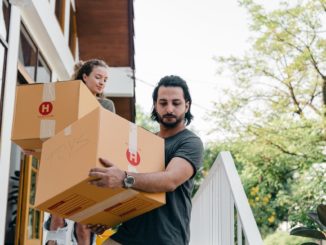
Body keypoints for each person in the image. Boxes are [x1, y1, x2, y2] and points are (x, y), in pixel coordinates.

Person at [87, 75, 204, 245]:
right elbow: (127, 186)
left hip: (165, 238)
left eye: (176, 103)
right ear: (155, 106)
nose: (169, 109)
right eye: (163, 103)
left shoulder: (190, 142)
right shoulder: (142, 141)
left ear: (187, 106)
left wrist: (123, 178)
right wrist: (106, 216)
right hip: (127, 233)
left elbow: (169, 180)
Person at [43, 58, 115, 245]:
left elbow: (109, 136)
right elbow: (52, 130)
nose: (102, 82)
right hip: (64, 163)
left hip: (90, 167)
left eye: (105, 80)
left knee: (84, 225)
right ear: (85, 76)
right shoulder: (67, 100)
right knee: (57, 219)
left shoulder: (107, 105)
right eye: (98, 77)